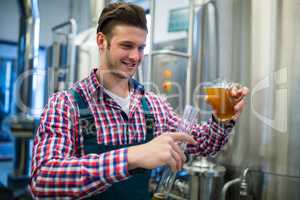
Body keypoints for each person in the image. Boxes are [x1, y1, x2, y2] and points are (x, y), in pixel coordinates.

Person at [29, 2, 248, 199]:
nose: (135, 57)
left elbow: (198, 143)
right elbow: (44, 179)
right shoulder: (65, 105)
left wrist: (222, 118)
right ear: (101, 41)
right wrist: (130, 157)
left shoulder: (153, 106)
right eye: (126, 46)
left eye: (141, 48)